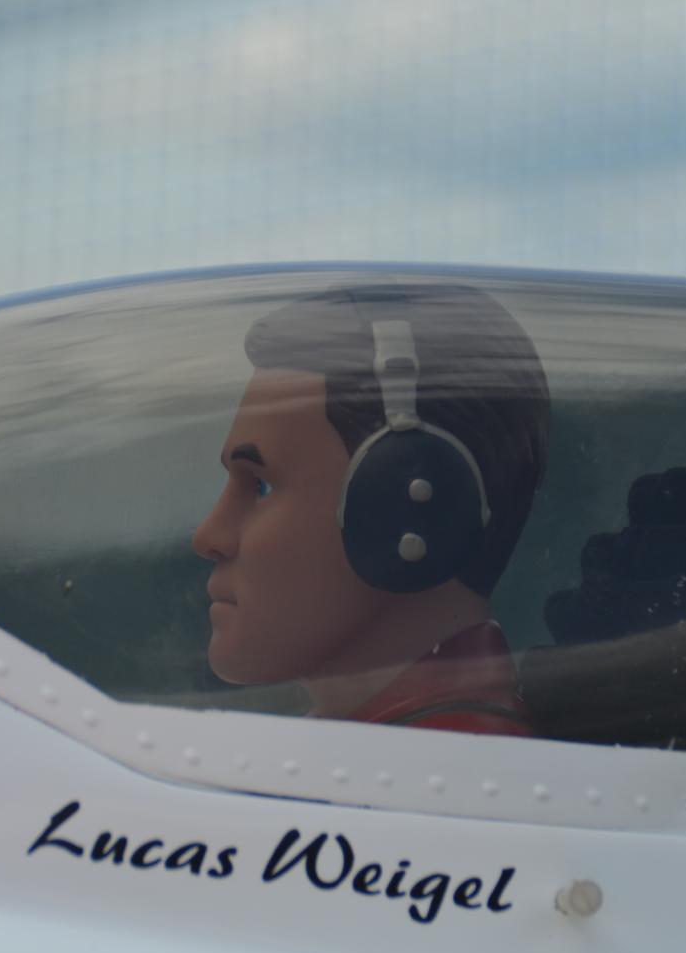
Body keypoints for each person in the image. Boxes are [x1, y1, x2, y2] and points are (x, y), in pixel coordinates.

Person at [191, 283, 551, 737]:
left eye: (261, 485)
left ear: (409, 505)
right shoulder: (381, 754)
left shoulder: (443, 772)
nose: (208, 536)